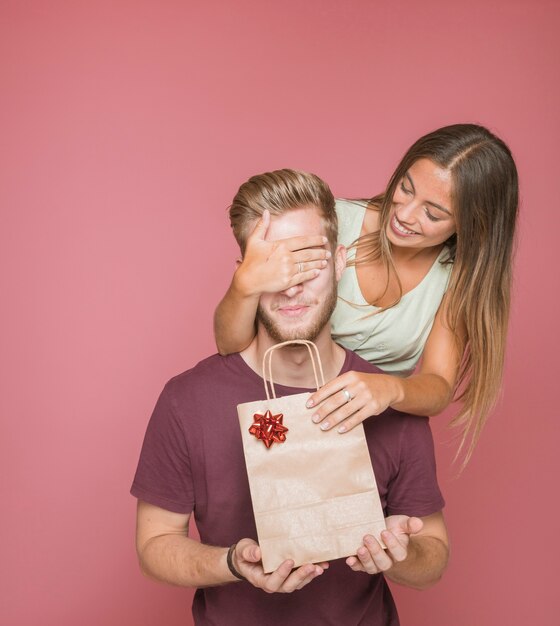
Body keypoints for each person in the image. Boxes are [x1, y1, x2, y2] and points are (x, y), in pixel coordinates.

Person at [131, 170, 449, 626]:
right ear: (243, 275)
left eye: (308, 262)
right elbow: (154, 545)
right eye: (272, 265)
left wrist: (400, 553)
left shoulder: (387, 400)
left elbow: (433, 557)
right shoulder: (188, 401)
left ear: (341, 262)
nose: (291, 286)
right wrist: (230, 564)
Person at [214, 124, 519, 463]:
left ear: (470, 225)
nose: (404, 214)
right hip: (275, 420)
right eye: (405, 188)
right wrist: (244, 284)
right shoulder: (332, 223)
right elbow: (231, 346)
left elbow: (438, 386)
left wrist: (389, 388)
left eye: (433, 213)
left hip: (364, 438)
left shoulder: (456, 279)